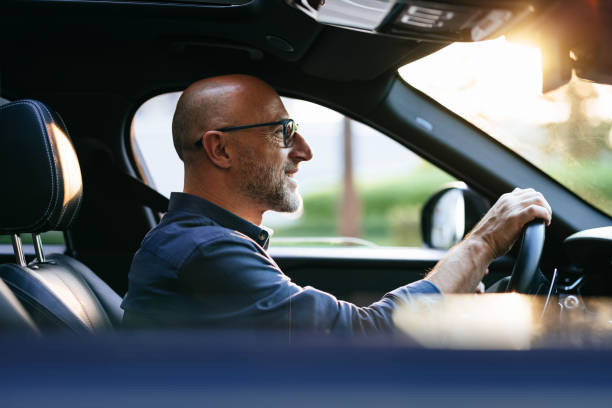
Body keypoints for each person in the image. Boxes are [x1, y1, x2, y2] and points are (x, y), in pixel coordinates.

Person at [120, 74, 552, 333]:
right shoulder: (203, 251)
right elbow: (363, 335)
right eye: (283, 132)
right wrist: (484, 242)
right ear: (221, 150)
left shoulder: (204, 243)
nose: (304, 151)